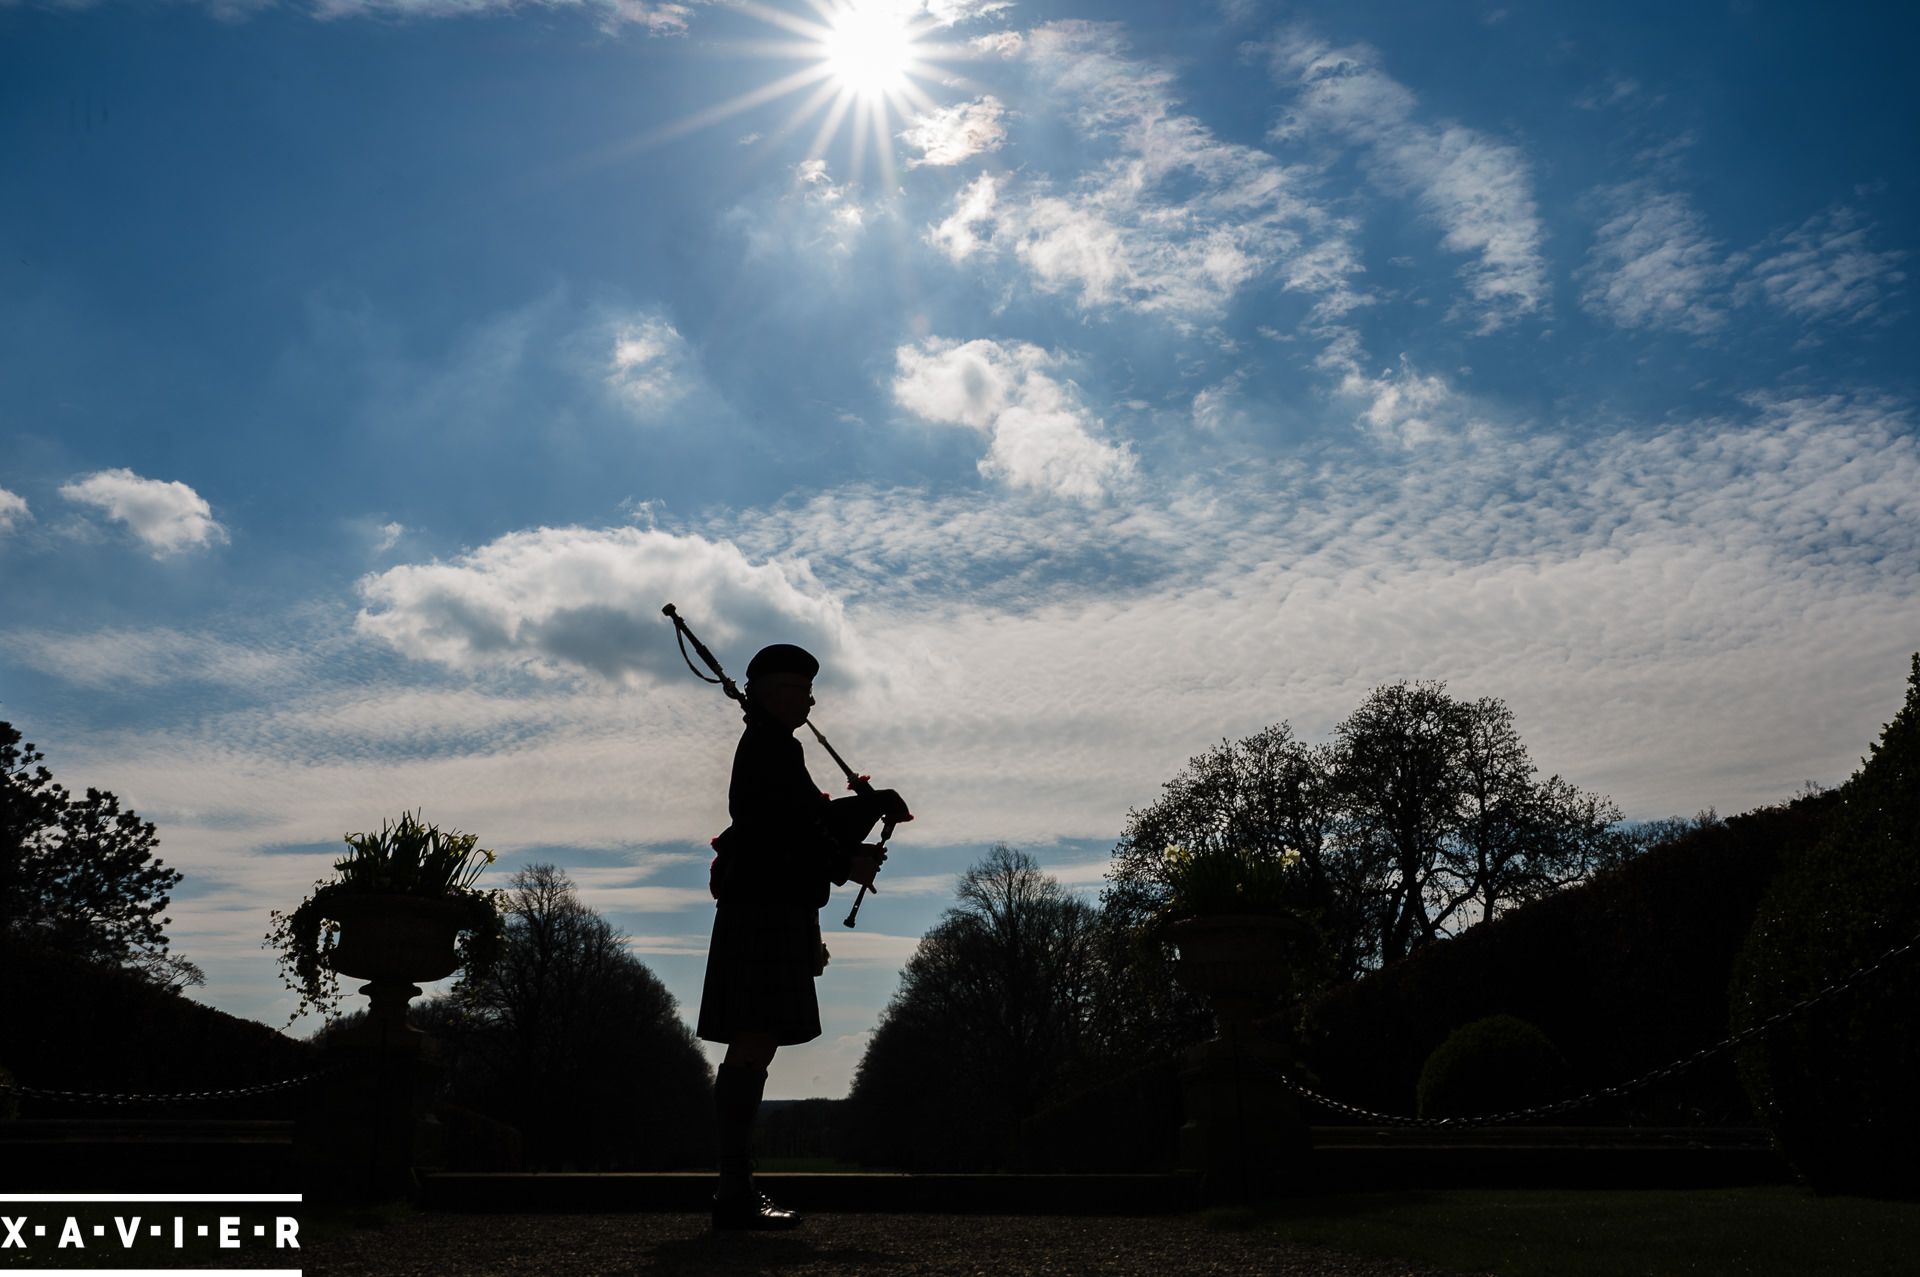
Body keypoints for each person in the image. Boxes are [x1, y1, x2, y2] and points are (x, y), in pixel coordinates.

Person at [694, 642, 903, 1230]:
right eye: (793, 688)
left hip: (766, 908)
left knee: (754, 1042)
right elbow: (785, 831)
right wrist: (850, 853)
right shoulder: (768, 747)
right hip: (763, 912)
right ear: (762, 692)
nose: (807, 698)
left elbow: (803, 824)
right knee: (754, 1040)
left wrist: (858, 828)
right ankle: (734, 1194)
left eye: (807, 689)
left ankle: (735, 1189)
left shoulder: (774, 746)